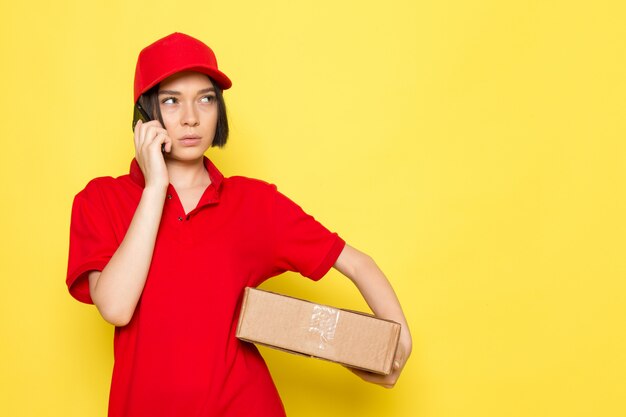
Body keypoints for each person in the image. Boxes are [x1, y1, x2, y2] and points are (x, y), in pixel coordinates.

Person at [66, 32, 412, 417]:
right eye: (171, 101)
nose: (191, 117)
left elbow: (357, 263)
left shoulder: (253, 203)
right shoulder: (101, 200)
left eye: (205, 98)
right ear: (145, 115)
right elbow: (115, 307)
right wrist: (155, 187)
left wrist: (398, 342)